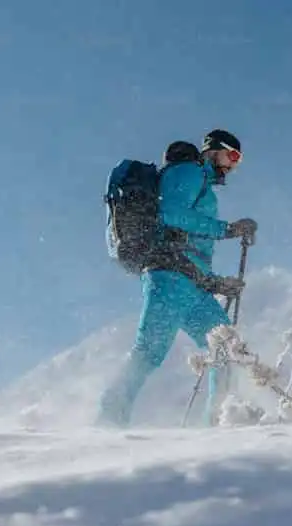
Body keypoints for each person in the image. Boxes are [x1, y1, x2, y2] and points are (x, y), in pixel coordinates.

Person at [97, 130, 258, 427]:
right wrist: (228, 229)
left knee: (224, 348)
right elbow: (170, 214)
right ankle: (107, 420)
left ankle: (220, 425)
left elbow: (189, 248)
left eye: (239, 161)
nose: (234, 166)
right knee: (149, 352)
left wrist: (215, 283)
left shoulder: (202, 185)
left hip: (190, 283)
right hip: (168, 278)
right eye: (232, 156)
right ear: (213, 151)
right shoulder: (189, 171)